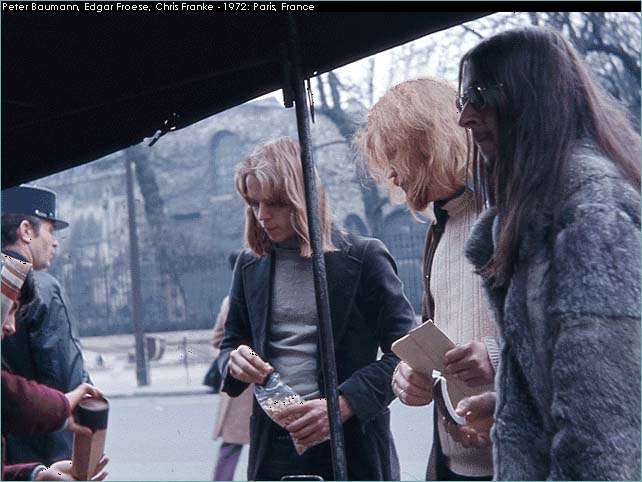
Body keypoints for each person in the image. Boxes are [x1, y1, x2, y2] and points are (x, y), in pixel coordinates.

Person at [456, 27, 640, 480]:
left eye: (478, 97)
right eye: (462, 100)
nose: (465, 118)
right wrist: (513, 404)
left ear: (530, 98)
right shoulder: (536, 215)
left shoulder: (593, 211)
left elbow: (607, 426)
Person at [217, 137, 415, 481]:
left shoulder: (364, 257)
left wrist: (344, 404)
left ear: (302, 196)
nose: (262, 216)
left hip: (351, 446)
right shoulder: (250, 265)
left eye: (274, 203)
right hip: (274, 446)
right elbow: (232, 343)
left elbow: (407, 353)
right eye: (253, 203)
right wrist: (235, 362)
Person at [356, 78, 499, 481]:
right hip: (452, 466)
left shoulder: (511, 215)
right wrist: (411, 374)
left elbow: (569, 335)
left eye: (394, 154)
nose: (391, 173)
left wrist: (495, 356)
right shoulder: (439, 230)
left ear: (428, 142)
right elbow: (444, 340)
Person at [1, 185, 93, 465]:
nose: (55, 243)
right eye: (51, 231)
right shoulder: (44, 289)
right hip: (45, 453)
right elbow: (66, 378)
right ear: (26, 230)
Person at [1, 253, 109, 481]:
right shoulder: (48, 288)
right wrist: (64, 405)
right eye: (9, 309)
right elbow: (9, 394)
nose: (11, 326)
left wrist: (37, 475)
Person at [211, 250, 252, 481]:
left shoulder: (229, 301)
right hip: (264, 380)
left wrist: (235, 355)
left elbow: (217, 340)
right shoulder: (263, 294)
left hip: (239, 382)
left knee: (231, 444)